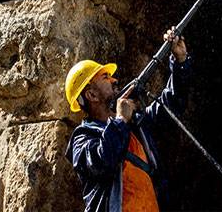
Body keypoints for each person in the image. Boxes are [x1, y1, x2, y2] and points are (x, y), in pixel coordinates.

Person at [64, 28, 191, 212]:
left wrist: (180, 61)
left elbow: (171, 105)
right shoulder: (83, 139)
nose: (114, 80)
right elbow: (103, 161)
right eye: (105, 77)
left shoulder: (134, 126)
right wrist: (121, 120)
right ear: (91, 94)